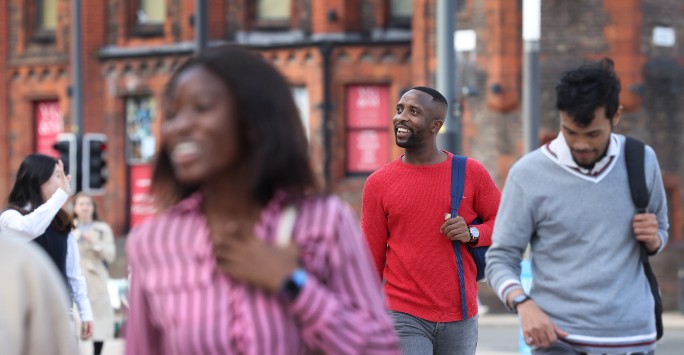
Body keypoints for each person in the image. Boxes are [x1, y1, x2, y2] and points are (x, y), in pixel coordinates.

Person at [124, 44, 400, 355]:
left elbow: (380, 347)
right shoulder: (153, 243)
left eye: (201, 108)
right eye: (172, 114)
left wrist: (292, 283)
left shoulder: (323, 222)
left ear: (254, 119)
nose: (179, 126)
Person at [485, 58, 669, 355]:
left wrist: (656, 238)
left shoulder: (642, 159)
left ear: (616, 116)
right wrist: (522, 302)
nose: (582, 144)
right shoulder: (528, 173)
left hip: (634, 340)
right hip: (559, 342)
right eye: (571, 132)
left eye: (593, 134)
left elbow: (661, 228)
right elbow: (500, 258)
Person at [361, 86, 501, 355]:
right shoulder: (379, 183)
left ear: (436, 125)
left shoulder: (470, 172)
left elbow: (506, 223)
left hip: (460, 314)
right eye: (400, 109)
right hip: (402, 314)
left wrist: (472, 233)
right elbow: (370, 259)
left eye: (414, 112)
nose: (401, 117)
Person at [0, 154, 94, 340]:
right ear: (38, 179)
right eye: (57, 176)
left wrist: (85, 312)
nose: (63, 183)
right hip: (22, 317)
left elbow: (73, 272)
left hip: (60, 315)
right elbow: (31, 228)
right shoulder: (10, 217)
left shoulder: (62, 221)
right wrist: (61, 196)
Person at [0, 234, 79, 355]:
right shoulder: (20, 256)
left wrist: (86, 313)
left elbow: (74, 273)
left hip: (59, 301)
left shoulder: (20, 259)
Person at [73, 192, 117, 355]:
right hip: (76, 279)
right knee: (75, 322)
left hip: (97, 280)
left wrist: (95, 242)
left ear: (93, 207)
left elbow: (111, 255)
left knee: (100, 321)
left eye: (88, 204)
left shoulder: (102, 228)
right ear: (75, 208)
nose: (85, 207)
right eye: (81, 204)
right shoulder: (68, 227)